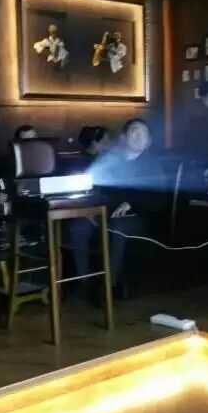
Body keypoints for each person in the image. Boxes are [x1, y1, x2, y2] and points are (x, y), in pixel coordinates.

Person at [69, 119, 166, 298]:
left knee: (117, 227)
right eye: (134, 132)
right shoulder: (111, 161)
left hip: (137, 216)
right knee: (78, 226)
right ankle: (84, 281)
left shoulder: (153, 164)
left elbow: (158, 199)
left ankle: (110, 286)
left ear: (148, 140)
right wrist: (90, 207)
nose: (139, 137)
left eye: (143, 134)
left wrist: (131, 203)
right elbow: (97, 189)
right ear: (124, 137)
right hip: (106, 211)